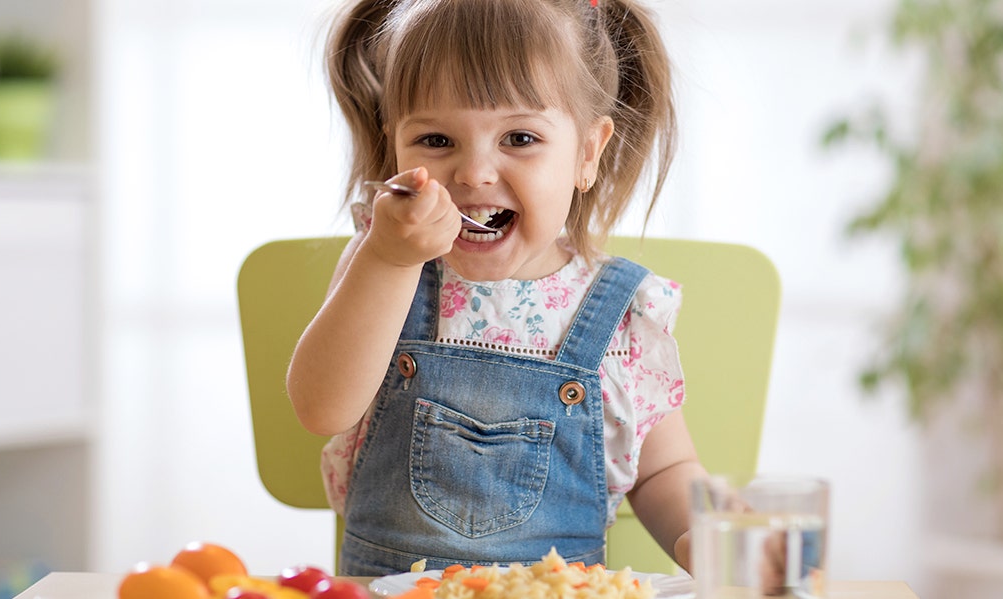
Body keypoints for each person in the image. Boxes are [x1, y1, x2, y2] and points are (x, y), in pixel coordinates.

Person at [286, 0, 707, 576]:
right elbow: (320, 407)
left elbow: (662, 470)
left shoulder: (622, 312)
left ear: (587, 153)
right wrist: (387, 259)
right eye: (435, 140)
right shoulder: (382, 265)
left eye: (519, 138)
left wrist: (703, 538)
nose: (473, 173)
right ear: (396, 148)